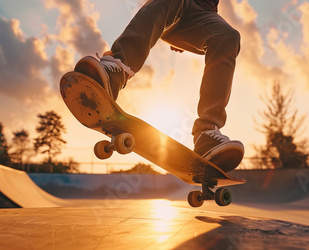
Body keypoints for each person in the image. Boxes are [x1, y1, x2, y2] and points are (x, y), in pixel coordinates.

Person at [74, 0, 244, 172]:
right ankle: (115, 72)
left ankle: (207, 134)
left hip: (203, 14)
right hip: (170, 5)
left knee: (228, 36)